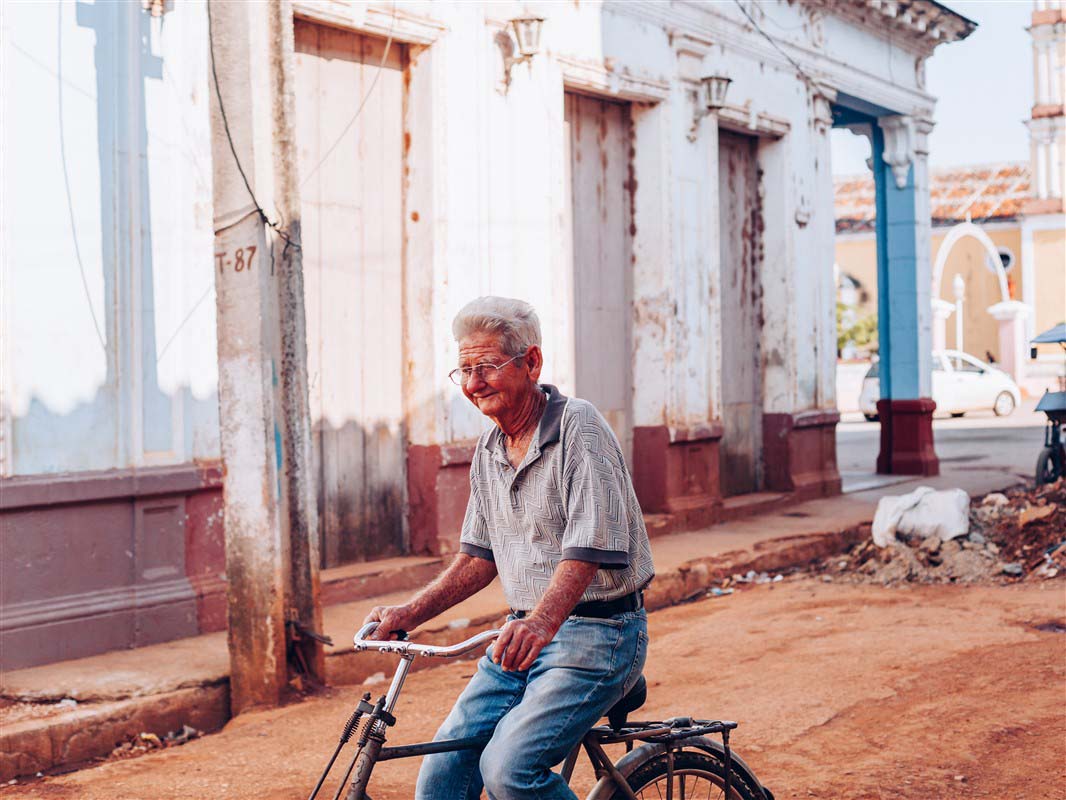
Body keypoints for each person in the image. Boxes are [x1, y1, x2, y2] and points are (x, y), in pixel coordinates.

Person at [364, 296, 654, 800]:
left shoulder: (577, 427)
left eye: (487, 367)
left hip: (600, 636)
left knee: (508, 772)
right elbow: (479, 558)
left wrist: (541, 623)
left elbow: (589, 547)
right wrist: (408, 612)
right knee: (440, 778)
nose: (473, 385)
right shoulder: (490, 447)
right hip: (520, 639)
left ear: (531, 363)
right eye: (464, 371)